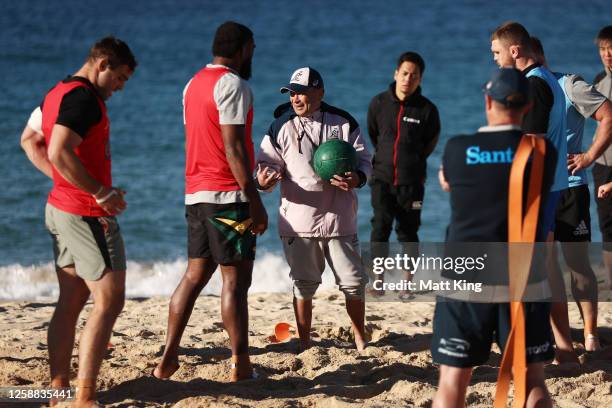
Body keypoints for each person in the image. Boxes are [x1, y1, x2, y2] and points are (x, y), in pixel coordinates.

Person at [20, 36, 136, 407]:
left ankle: (58, 389)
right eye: (119, 78)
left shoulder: (56, 91)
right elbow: (56, 150)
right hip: (85, 214)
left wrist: (63, 181)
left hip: (60, 208)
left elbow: (29, 141)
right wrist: (99, 191)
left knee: (72, 298)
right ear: (102, 64)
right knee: (110, 299)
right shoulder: (85, 99)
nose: (119, 87)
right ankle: (84, 396)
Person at [432, 68, 556, 408]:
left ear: (488, 100)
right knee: (532, 381)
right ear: (528, 106)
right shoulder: (542, 151)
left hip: (464, 277)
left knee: (452, 381)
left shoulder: (458, 150)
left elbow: (449, 182)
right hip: (523, 277)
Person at [153, 21, 266, 382]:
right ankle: (240, 364)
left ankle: (168, 357)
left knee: (195, 274)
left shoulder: (191, 84)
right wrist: (254, 199)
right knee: (235, 281)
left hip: (195, 194)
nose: (253, 55)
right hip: (227, 197)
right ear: (244, 48)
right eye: (252, 48)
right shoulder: (233, 85)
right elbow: (233, 147)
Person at [256, 67, 372, 351]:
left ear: (319, 92)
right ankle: (305, 341)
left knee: (354, 283)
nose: (296, 98)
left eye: (302, 93)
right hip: (298, 219)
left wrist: (356, 178)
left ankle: (359, 337)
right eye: (292, 93)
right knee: (304, 284)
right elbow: (265, 165)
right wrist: (263, 180)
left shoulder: (343, 122)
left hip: (339, 217)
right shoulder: (280, 126)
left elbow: (364, 161)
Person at [490, 21, 576, 364]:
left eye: (497, 53)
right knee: (544, 268)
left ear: (515, 51)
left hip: (536, 193)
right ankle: (564, 347)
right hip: (548, 188)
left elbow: (531, 147)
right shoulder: (548, 80)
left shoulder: (535, 85)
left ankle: (543, 347)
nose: (495, 60)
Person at [531, 36, 612, 356]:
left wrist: (589, 157)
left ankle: (590, 333)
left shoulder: (569, 84)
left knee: (577, 263)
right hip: (539, 191)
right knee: (546, 266)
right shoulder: (522, 91)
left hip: (571, 190)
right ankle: (560, 336)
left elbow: (608, 115)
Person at [367, 52, 440, 295]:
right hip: (382, 179)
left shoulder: (428, 110)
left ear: (420, 79)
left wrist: (412, 164)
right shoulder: (378, 103)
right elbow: (374, 134)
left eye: (414, 75)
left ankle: (407, 283)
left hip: (413, 183)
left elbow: (430, 144)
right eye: (405, 73)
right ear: (396, 74)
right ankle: (377, 282)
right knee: (380, 229)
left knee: (409, 232)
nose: (408, 79)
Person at [591, 25, 612, 290]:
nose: (608, 54)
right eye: (603, 49)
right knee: (607, 229)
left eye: (611, 49)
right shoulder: (598, 81)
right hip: (601, 165)